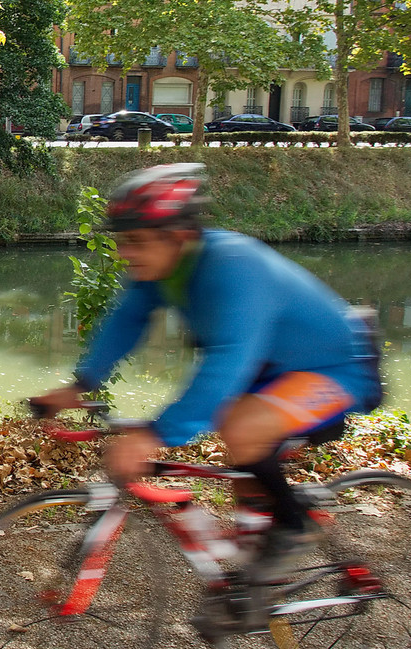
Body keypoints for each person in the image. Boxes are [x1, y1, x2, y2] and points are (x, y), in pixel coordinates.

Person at [33, 163, 382, 583]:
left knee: (241, 426)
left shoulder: (233, 266)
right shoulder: (163, 269)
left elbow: (228, 361)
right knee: (246, 473)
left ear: (177, 235)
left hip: (336, 369)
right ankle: (257, 581)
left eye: (136, 241)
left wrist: (156, 435)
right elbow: (125, 321)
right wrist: (82, 384)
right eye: (122, 241)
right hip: (271, 370)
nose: (126, 253)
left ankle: (296, 526)